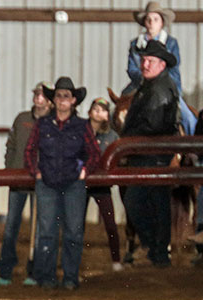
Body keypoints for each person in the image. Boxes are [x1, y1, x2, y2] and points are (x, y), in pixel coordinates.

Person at [24, 77, 101, 290]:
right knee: (47, 231)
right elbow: (30, 151)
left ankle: (70, 277)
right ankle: (48, 277)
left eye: (66, 96)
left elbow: (94, 153)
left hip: (73, 184)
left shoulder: (82, 126)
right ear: (54, 99)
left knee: (73, 233)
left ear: (73, 100)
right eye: (58, 96)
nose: (61, 100)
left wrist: (85, 170)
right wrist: (35, 171)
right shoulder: (43, 124)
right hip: (47, 183)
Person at [120, 40, 180, 268]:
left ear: (162, 64)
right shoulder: (154, 86)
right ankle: (157, 251)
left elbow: (153, 124)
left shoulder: (157, 89)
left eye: (150, 61)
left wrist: (129, 136)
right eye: (144, 60)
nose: (145, 64)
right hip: (151, 153)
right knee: (155, 203)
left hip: (151, 153)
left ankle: (156, 249)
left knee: (139, 201)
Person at [0, 81, 50, 286]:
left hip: (43, 182)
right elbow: (11, 145)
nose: (38, 98)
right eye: (36, 94)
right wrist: (11, 169)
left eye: (43, 95)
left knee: (39, 227)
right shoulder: (22, 119)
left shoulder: (53, 122)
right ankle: (6, 269)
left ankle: (35, 270)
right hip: (19, 180)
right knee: (11, 225)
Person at [123, 1, 197, 135]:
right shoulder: (135, 44)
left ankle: (195, 148)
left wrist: (166, 85)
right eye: (148, 19)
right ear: (144, 22)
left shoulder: (171, 43)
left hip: (166, 84)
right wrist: (144, 78)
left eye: (155, 19)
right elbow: (131, 68)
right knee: (117, 110)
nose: (151, 22)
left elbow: (174, 68)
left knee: (188, 118)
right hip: (138, 84)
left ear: (161, 23)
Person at [85, 98, 124, 272]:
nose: (99, 113)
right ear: (90, 112)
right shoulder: (81, 132)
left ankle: (116, 260)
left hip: (101, 186)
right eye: (96, 109)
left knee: (110, 223)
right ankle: (72, 261)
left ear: (108, 114)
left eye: (103, 110)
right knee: (76, 225)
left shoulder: (113, 136)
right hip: (82, 185)